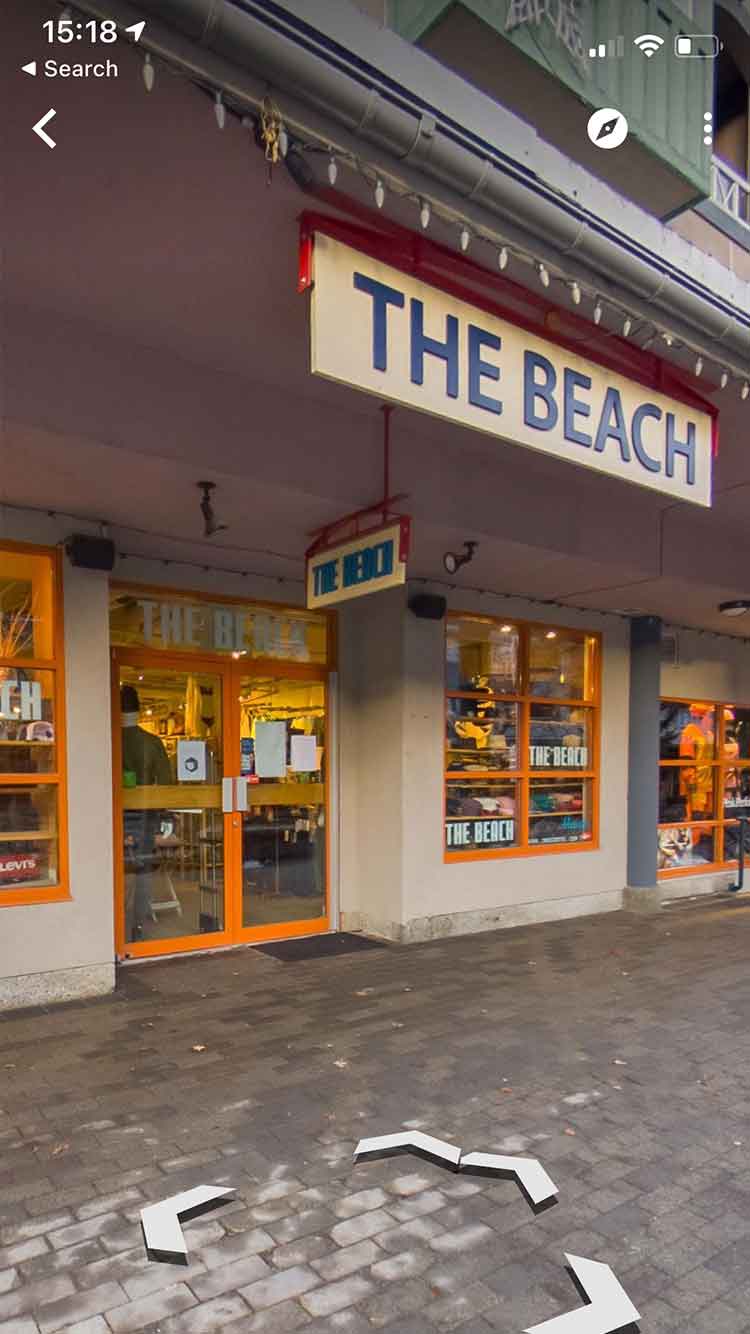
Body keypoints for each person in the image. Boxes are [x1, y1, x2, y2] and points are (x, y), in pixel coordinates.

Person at [121, 684, 171, 940]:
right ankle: (137, 925)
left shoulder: (106, 741)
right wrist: (165, 816)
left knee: (112, 867)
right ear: (139, 711)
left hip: (111, 814)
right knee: (142, 870)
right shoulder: (151, 743)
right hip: (144, 815)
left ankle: (113, 922)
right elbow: (166, 784)